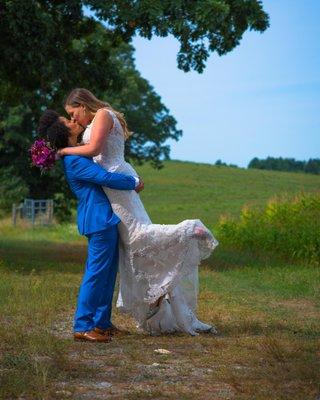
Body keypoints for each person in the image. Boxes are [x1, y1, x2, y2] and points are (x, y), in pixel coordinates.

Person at [58, 88, 219, 336]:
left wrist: (64, 150)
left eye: (72, 113)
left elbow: (94, 150)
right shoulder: (86, 139)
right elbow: (94, 161)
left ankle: (187, 230)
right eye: (69, 118)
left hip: (113, 186)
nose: (73, 120)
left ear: (82, 104)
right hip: (109, 193)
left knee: (133, 241)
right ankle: (96, 322)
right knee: (130, 247)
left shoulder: (100, 116)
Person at [38, 110, 143, 342]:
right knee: (96, 273)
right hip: (98, 219)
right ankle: (82, 325)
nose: (74, 120)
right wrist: (133, 182)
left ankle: (102, 323)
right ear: (64, 133)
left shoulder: (77, 155)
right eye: (69, 121)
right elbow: (104, 178)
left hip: (103, 218)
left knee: (107, 273)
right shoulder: (74, 160)